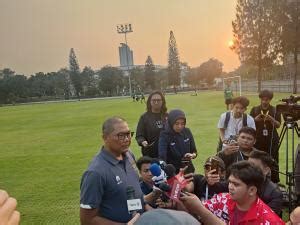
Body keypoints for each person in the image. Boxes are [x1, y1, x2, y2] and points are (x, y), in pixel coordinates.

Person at [80, 117, 145, 225]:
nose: (127, 139)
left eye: (128, 134)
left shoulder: (129, 155)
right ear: (105, 138)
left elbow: (134, 189)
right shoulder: (95, 173)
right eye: (120, 135)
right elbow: (87, 219)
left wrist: (147, 205)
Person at [189, 161, 285, 224]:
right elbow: (193, 212)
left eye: (236, 184)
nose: (230, 187)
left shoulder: (268, 221)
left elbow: (200, 210)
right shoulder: (223, 199)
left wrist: (200, 209)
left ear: (252, 190)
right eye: (230, 182)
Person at [250, 89, 281, 183]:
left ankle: (274, 181)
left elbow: (278, 125)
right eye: (263, 99)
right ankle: (256, 180)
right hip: (257, 140)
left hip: (272, 140)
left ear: (270, 100)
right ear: (260, 99)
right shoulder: (255, 109)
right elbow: (249, 124)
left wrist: (271, 119)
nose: (264, 101)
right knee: (257, 160)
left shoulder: (275, 110)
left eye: (267, 99)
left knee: (273, 160)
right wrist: (255, 119)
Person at [158, 109, 197, 174]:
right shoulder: (164, 135)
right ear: (171, 122)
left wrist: (192, 155)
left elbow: (194, 151)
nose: (180, 126)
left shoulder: (187, 131)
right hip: (173, 172)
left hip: (188, 169)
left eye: (182, 124)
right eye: (177, 124)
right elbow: (162, 157)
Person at [248, 150, 283, 216]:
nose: (248, 169)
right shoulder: (240, 182)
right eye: (247, 166)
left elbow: (268, 217)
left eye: (254, 167)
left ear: (266, 170)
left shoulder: (274, 193)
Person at [136, 91, 168, 158]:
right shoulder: (144, 118)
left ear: (162, 101)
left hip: (167, 153)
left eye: (158, 100)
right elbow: (139, 135)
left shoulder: (167, 116)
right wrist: (143, 142)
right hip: (150, 154)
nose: (156, 102)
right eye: (154, 100)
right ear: (150, 102)